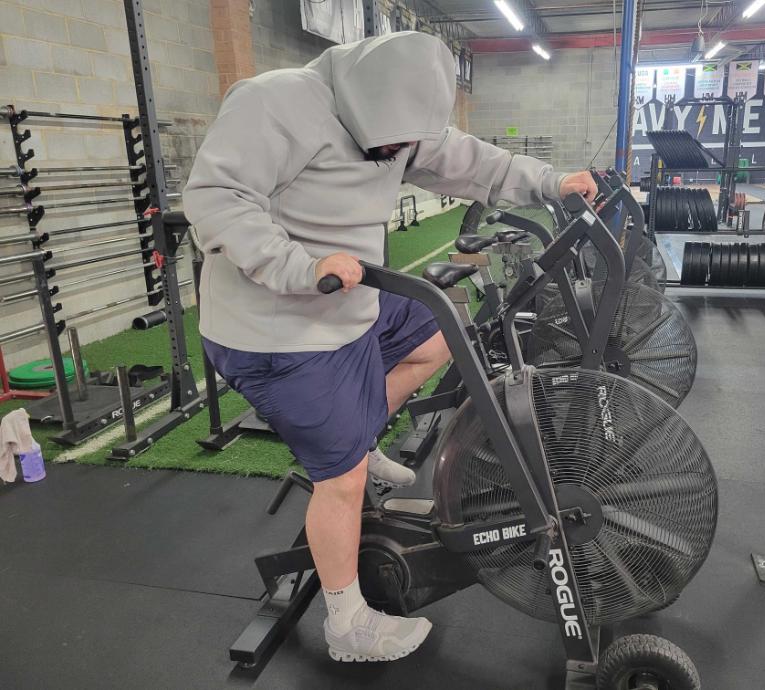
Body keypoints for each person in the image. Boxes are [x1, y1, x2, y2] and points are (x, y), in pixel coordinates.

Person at [183, 31, 597, 663]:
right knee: (342, 479)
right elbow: (217, 200)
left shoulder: (397, 121)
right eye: (395, 144)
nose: (403, 154)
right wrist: (300, 265)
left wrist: (551, 181)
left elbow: (465, 159)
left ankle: (357, 438)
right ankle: (348, 624)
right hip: (276, 324)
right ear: (363, 102)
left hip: (350, 301)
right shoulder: (273, 103)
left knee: (435, 341)